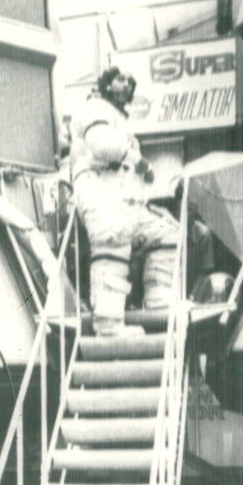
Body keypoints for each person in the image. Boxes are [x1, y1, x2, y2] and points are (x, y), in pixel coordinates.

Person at [70, 66, 180, 335]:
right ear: (106, 84)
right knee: (113, 242)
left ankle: (159, 299)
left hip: (125, 199)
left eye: (129, 80)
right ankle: (108, 324)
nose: (126, 84)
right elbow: (101, 145)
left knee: (167, 234)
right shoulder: (94, 108)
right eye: (120, 79)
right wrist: (139, 161)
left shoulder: (119, 118)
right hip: (100, 192)